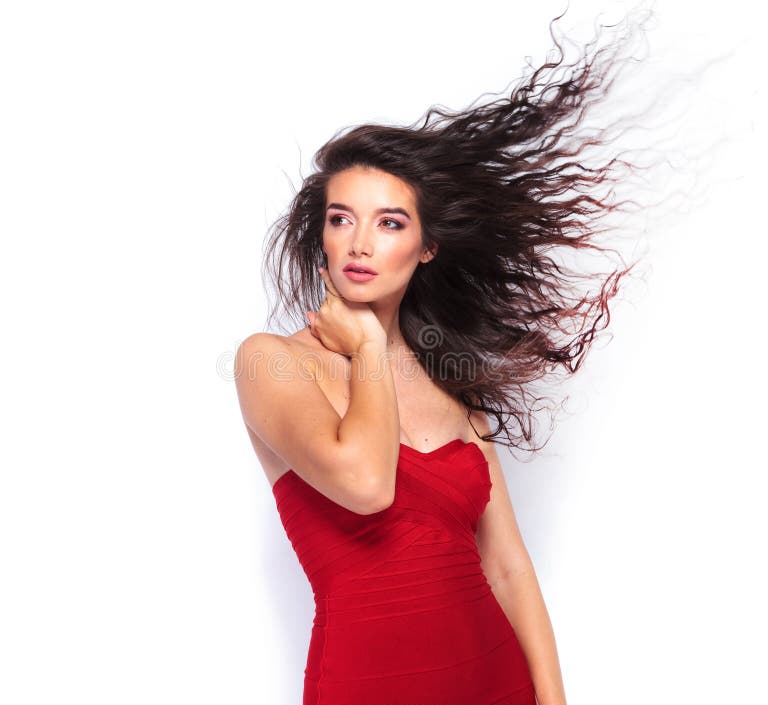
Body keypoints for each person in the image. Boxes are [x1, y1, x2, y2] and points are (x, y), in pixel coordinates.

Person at [236, 8, 658, 704]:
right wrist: (368, 344)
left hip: (495, 680)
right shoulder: (270, 363)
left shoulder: (457, 395)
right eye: (341, 218)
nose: (360, 242)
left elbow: (509, 569)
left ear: (426, 247)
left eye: (390, 222)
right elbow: (366, 484)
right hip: (366, 685)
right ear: (322, 237)